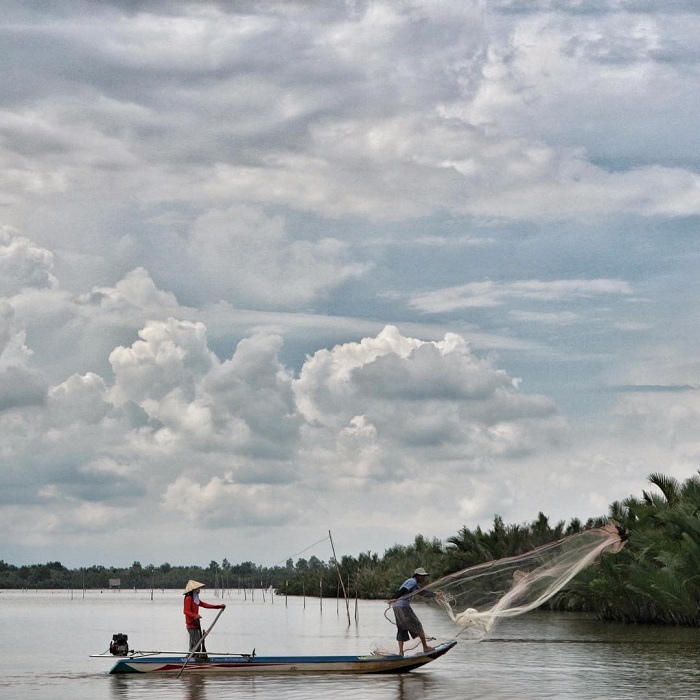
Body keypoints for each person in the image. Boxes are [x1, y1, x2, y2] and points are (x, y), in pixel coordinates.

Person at [388, 567, 434, 656]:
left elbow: (422, 593)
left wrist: (435, 595)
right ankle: (426, 647)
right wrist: (393, 597)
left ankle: (401, 652)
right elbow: (403, 590)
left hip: (396, 606)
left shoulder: (414, 584)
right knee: (418, 625)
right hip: (403, 607)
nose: (424, 578)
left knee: (402, 628)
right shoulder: (412, 581)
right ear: (418, 576)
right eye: (423, 576)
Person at [183, 579, 225, 659]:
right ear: (194, 589)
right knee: (196, 647)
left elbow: (205, 605)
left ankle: (191, 660)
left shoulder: (195, 598)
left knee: (194, 646)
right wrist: (195, 615)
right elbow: (186, 611)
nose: (200, 590)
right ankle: (187, 661)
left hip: (196, 625)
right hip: (191, 625)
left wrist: (218, 606)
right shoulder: (188, 598)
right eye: (198, 588)